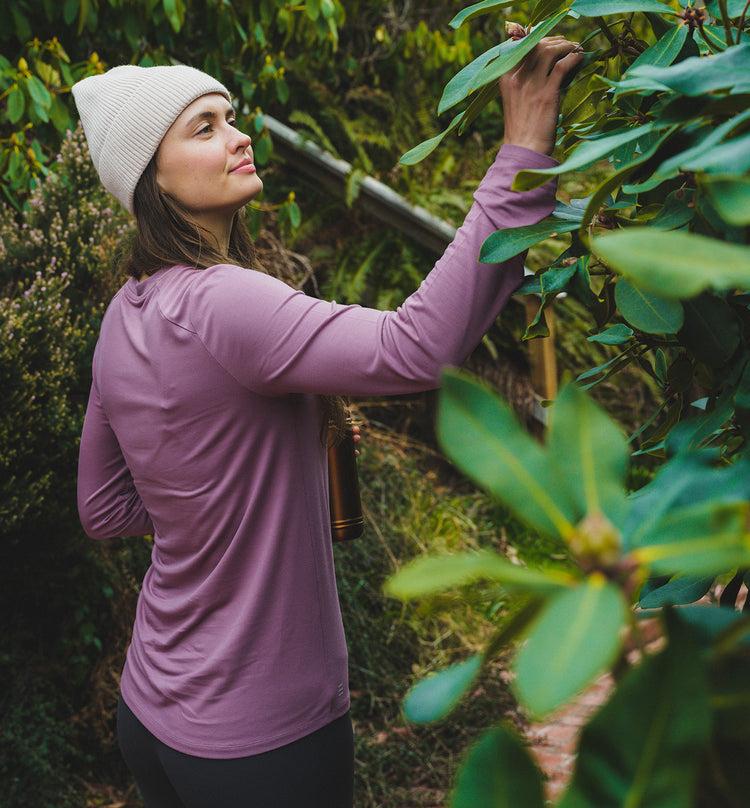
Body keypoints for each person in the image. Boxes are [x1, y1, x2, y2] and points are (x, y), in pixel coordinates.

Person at [74, 37, 582, 808]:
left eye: (230, 117)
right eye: (203, 127)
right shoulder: (224, 302)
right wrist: (519, 156)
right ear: (154, 182)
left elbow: (103, 508)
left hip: (150, 711)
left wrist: (207, 498)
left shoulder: (124, 313)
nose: (239, 134)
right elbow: (412, 348)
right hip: (260, 736)